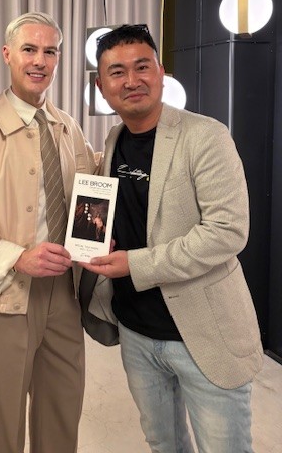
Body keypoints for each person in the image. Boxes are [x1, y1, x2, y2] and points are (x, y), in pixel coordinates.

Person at [80, 24, 263, 453]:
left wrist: (134, 264)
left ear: (161, 72)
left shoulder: (206, 136)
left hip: (205, 331)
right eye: (117, 72)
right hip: (136, 331)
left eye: (142, 67)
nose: (132, 80)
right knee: (164, 444)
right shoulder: (114, 139)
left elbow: (227, 232)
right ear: (102, 87)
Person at [0, 12, 98, 453]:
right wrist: (17, 256)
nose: (40, 60)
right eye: (30, 49)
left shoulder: (67, 127)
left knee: (62, 410)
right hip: (7, 293)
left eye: (50, 51)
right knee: (5, 421)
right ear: (8, 55)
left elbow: (91, 185)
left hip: (64, 291)